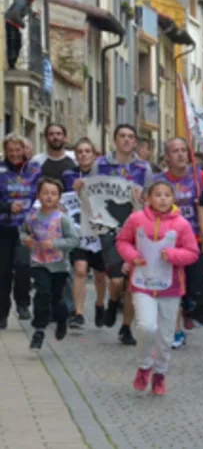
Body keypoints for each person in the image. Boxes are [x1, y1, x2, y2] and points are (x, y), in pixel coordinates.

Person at [116, 178, 200, 396]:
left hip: (170, 287)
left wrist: (173, 255)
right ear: (148, 198)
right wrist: (132, 256)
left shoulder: (182, 224)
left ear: (173, 198)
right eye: (158, 195)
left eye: (167, 195)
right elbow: (123, 241)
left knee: (165, 336)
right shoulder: (136, 219)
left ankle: (160, 373)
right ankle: (144, 366)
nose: (162, 199)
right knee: (146, 327)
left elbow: (193, 253)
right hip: (142, 283)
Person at [74, 124, 155, 346]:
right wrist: (79, 188)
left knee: (132, 282)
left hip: (136, 230)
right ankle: (112, 299)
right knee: (117, 280)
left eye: (131, 136)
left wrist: (144, 196)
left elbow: (152, 199)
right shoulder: (100, 164)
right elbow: (89, 196)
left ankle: (126, 327)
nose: (127, 140)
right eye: (122, 136)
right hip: (109, 229)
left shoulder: (143, 167)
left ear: (135, 142)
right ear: (115, 140)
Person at [157, 138, 203, 349]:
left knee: (195, 288)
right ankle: (175, 330)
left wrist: (202, 204)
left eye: (183, 150)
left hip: (195, 239)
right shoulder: (159, 180)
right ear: (167, 157)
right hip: (169, 241)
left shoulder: (200, 177)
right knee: (173, 287)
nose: (180, 154)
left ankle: (189, 305)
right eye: (175, 151)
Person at [22, 177, 78, 350]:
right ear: (38, 195)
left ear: (59, 197)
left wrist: (54, 243)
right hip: (38, 263)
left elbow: (74, 240)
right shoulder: (32, 217)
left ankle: (62, 320)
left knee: (56, 298)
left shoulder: (63, 219)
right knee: (42, 293)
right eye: (45, 193)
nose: (49, 196)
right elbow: (23, 232)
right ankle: (39, 330)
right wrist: (26, 239)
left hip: (59, 266)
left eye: (53, 193)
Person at [64, 138, 108, 329]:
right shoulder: (68, 174)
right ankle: (79, 313)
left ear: (94, 154)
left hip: (98, 231)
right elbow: (63, 198)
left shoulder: (103, 174)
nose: (83, 155)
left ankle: (100, 304)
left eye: (87, 151)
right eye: (80, 151)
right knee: (80, 270)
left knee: (100, 274)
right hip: (78, 229)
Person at [0, 133, 38, 327]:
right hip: (3, 228)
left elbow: (44, 192)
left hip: (27, 227)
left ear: (25, 150)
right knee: (3, 272)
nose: (14, 154)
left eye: (18, 150)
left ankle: (23, 303)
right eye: (10, 150)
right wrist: (7, 207)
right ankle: (2, 313)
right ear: (5, 151)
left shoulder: (34, 169)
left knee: (24, 267)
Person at [5, 0, 37, 69]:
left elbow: (28, 11)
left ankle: (12, 63)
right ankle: (11, 64)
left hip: (14, 24)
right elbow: (14, 13)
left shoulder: (26, 3)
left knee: (17, 43)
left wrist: (34, 14)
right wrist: (22, 23)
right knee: (13, 44)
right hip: (10, 23)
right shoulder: (22, 1)